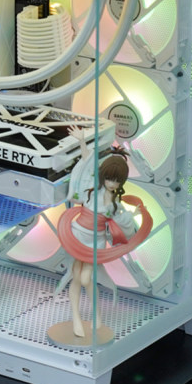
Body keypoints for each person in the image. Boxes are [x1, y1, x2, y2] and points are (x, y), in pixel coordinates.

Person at [64, 126, 136, 339]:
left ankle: (95, 315)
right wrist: (81, 141)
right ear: (104, 176)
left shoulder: (114, 204)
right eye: (109, 178)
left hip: (95, 241)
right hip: (77, 236)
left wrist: (134, 218)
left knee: (87, 278)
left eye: (116, 180)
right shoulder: (91, 190)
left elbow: (125, 224)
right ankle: (78, 318)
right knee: (76, 276)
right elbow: (88, 161)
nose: (112, 183)